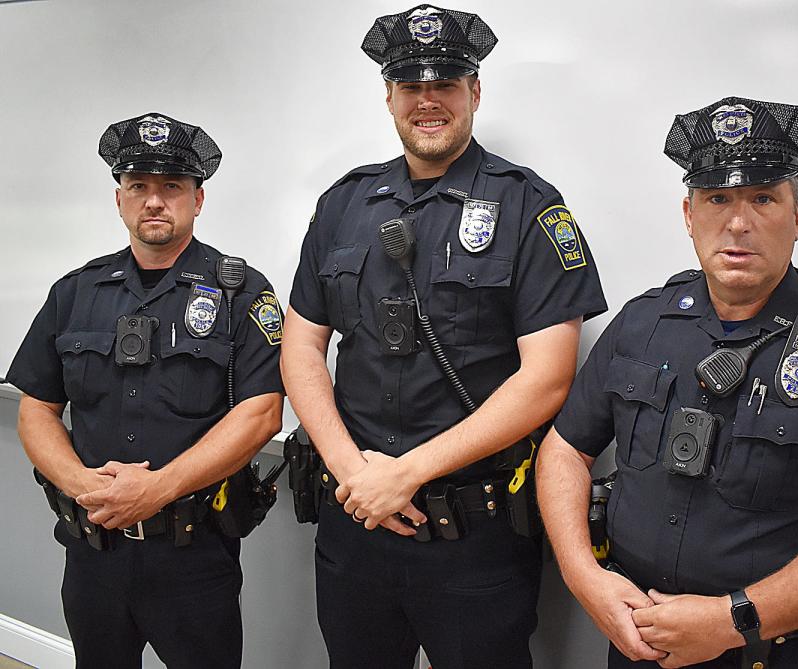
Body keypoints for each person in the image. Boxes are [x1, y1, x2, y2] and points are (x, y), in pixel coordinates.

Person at [536, 96, 798, 668]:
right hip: (635, 642)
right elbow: (565, 449)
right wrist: (586, 580)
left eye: (763, 199)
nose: (737, 222)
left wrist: (733, 620)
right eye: (718, 199)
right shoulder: (643, 324)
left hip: (770, 654)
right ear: (688, 214)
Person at [280, 5, 607, 668]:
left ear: (475, 92)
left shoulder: (528, 207)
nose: (428, 100)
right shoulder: (343, 205)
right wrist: (352, 470)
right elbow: (301, 345)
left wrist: (408, 472)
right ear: (390, 97)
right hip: (355, 522)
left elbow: (547, 376)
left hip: (473, 539)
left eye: (447, 82)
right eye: (410, 86)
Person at [6, 112, 284, 669]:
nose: (154, 201)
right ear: (119, 199)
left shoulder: (240, 291)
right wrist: (81, 484)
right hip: (92, 546)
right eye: (139, 187)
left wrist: (157, 489)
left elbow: (261, 414)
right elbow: (37, 407)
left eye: (172, 187)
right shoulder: (76, 290)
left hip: (193, 553)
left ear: (197, 200)